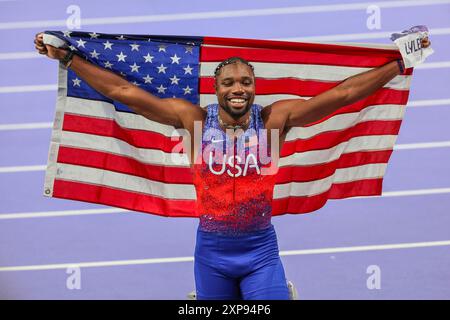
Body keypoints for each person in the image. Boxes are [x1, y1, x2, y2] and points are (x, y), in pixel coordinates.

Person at [34, 32, 430, 300]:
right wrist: (69, 57)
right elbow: (123, 92)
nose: (238, 89)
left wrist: (399, 63)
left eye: (245, 82)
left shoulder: (275, 120)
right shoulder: (194, 122)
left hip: (259, 251)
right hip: (210, 254)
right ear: (216, 88)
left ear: (254, 88)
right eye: (229, 83)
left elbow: (342, 95)